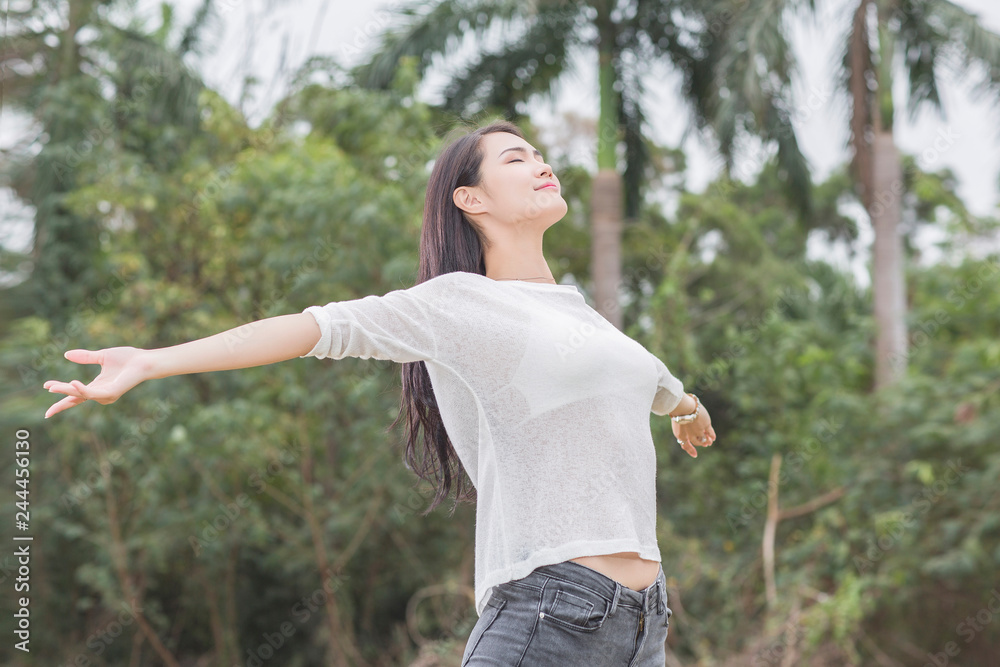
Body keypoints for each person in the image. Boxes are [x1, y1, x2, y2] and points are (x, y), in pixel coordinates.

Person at [43, 119, 717, 666]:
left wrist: (686, 409)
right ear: (470, 199)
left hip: (644, 624)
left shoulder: (579, 314)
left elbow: (652, 379)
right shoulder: (459, 304)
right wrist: (152, 361)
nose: (542, 163)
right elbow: (316, 328)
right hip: (552, 612)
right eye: (517, 158)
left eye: (540, 155)